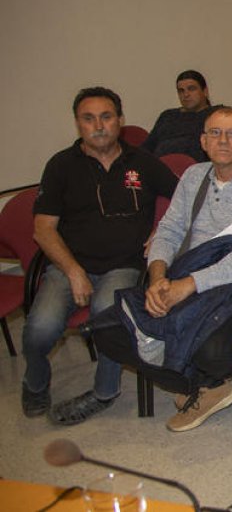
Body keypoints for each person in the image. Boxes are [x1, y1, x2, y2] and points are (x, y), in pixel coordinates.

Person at [23, 87, 178, 424]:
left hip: (123, 266)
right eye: (88, 118)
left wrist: (161, 232)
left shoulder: (143, 163)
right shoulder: (61, 165)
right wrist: (74, 271)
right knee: (39, 329)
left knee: (108, 320)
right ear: (78, 124)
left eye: (106, 117)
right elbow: (43, 229)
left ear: (120, 121)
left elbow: (185, 201)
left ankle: (104, 393)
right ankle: (35, 383)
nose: (99, 125)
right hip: (69, 266)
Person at [143, 107, 232, 431]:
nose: (223, 141)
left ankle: (210, 380)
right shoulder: (193, 177)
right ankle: (200, 383)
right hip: (189, 270)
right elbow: (168, 231)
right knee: (135, 327)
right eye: (215, 133)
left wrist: (190, 285)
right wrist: (158, 277)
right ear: (203, 141)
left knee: (209, 350)